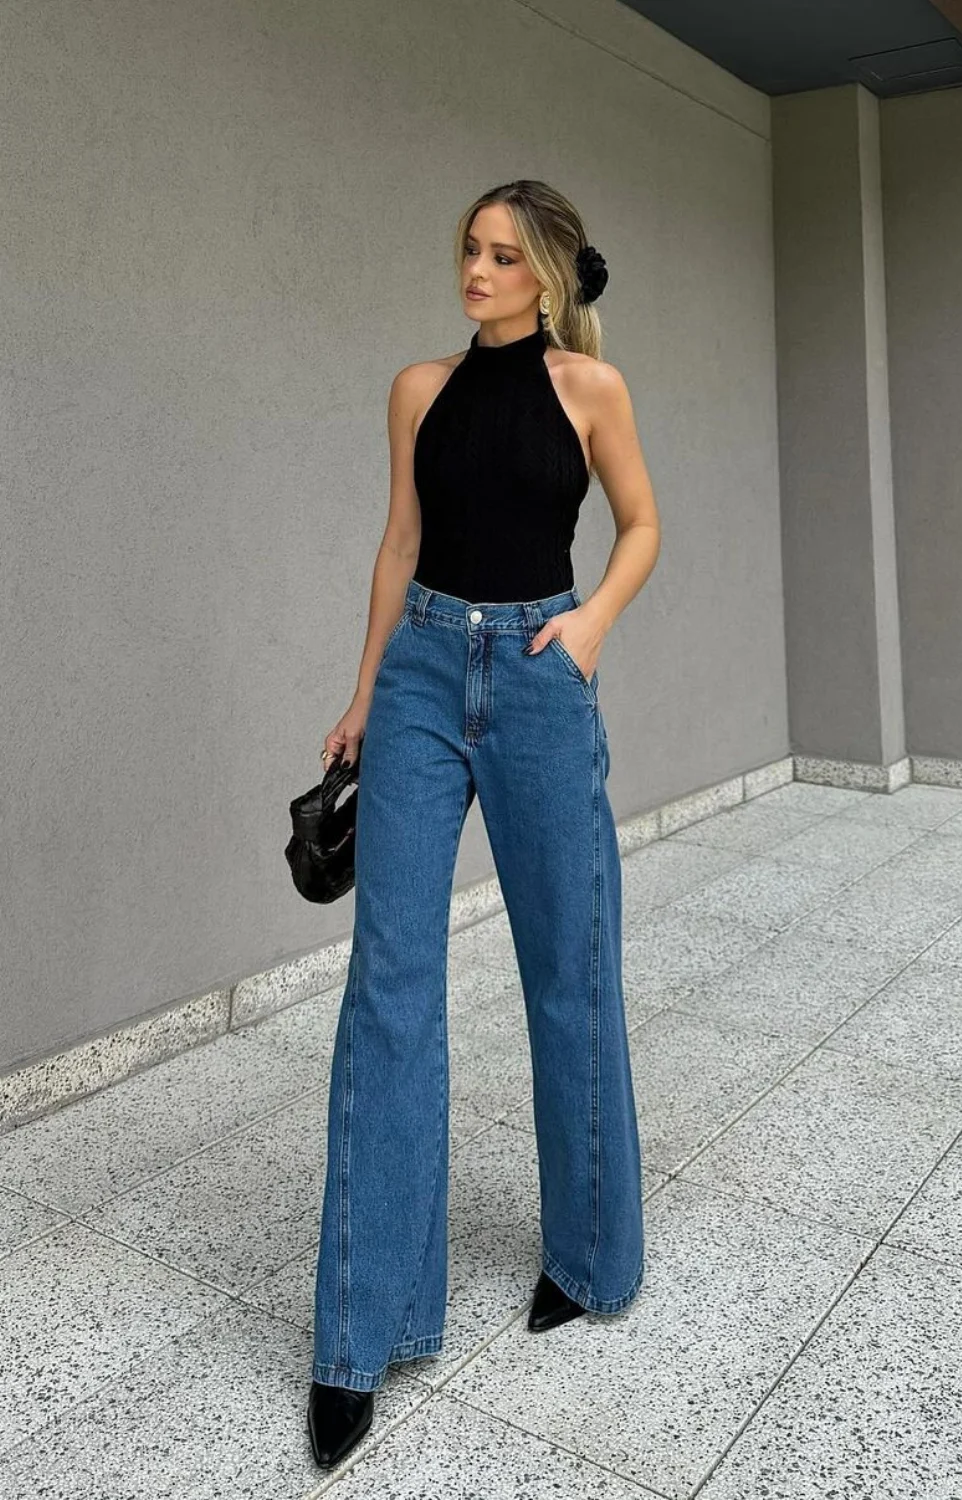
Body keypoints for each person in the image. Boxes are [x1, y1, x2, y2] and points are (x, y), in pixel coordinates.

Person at [307, 178, 661, 1470]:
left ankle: (588, 1255)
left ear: (549, 274)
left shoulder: (588, 392)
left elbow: (643, 525)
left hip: (538, 672)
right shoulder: (416, 388)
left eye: (502, 254)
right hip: (420, 676)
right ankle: (360, 1332)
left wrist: (588, 630)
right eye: (468, 247)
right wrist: (358, 699)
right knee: (390, 982)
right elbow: (399, 544)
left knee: (568, 972)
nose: (476, 268)